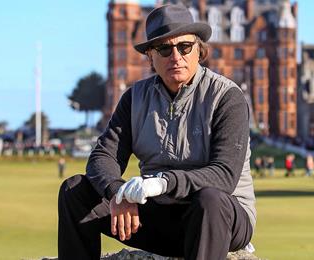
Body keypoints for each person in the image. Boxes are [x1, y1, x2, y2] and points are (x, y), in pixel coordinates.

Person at [58, 5, 256, 260]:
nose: (176, 56)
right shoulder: (134, 98)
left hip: (220, 219)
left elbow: (224, 175)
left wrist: (163, 182)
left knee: (210, 200)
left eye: (184, 47)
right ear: (150, 57)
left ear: (199, 50)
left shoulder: (226, 96)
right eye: (164, 48)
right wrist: (118, 191)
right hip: (161, 217)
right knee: (74, 190)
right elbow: (102, 158)